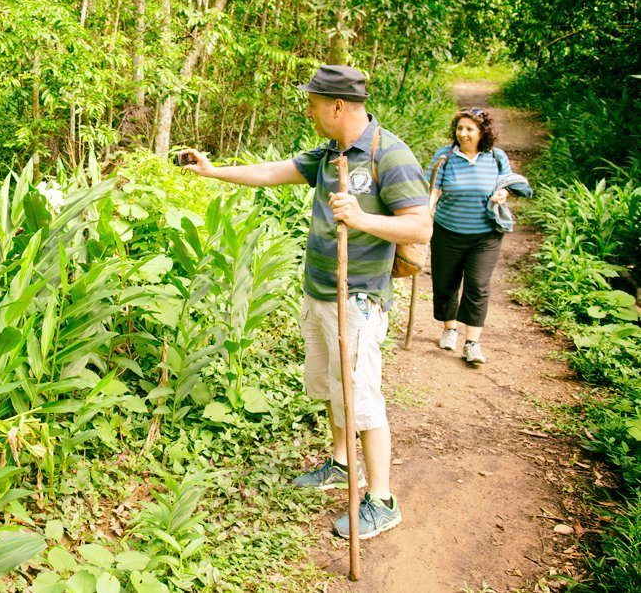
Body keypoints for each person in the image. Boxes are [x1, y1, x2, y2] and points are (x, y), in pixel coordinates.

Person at [179, 65, 432, 540]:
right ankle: (341, 462)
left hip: (356, 296)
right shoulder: (330, 152)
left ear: (338, 106)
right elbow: (275, 172)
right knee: (334, 385)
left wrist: (361, 218)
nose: (309, 111)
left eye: (314, 103)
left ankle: (382, 499)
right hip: (320, 290)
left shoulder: (390, 154)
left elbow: (420, 227)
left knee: (362, 397)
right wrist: (213, 171)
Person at [428, 108, 529, 366]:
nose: (463, 134)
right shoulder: (445, 157)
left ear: (483, 132)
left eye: (469, 129)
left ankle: (472, 342)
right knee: (445, 283)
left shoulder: (496, 157)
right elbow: (433, 191)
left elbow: (508, 184)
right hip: (447, 231)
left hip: (486, 235)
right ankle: (449, 329)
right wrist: (424, 216)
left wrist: (503, 194)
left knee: (478, 285)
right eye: (460, 128)